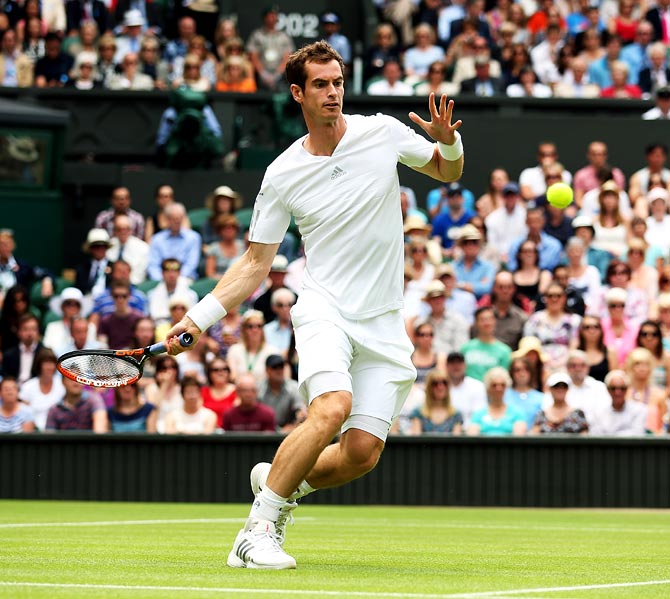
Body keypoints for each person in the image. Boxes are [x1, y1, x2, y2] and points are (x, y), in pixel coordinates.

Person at [164, 41, 465, 569]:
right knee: (330, 410)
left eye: (338, 82)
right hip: (325, 308)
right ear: (299, 93)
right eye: (321, 85)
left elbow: (446, 172)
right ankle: (257, 532)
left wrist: (450, 144)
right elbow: (256, 264)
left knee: (359, 455)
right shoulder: (281, 173)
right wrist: (197, 320)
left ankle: (280, 475)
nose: (333, 93)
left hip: (385, 322)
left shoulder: (383, 132)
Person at [523, 283, 581, 373]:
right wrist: (544, 361)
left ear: (564, 298)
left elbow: (574, 345)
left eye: (558, 296)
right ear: (545, 298)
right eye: (550, 296)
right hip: (540, 365)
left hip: (567, 364)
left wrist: (562, 363)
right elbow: (529, 344)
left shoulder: (574, 320)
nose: (554, 299)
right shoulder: (535, 320)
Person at [147, 202, 202, 282]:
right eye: (174, 219)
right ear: (167, 219)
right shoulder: (157, 239)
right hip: (161, 281)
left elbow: (191, 264)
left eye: (179, 218)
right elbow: (153, 265)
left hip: (185, 279)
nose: (177, 221)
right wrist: (162, 280)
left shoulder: (194, 238)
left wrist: (175, 279)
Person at [246, 5, 295, 91]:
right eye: (270, 15)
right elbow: (253, 56)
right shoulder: (257, 35)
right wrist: (263, 73)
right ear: (265, 17)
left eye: (275, 15)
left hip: (280, 76)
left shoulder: (284, 36)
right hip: (262, 76)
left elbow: (288, 56)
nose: (273, 18)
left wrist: (278, 74)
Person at [467, 366, 527, 436]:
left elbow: (519, 437)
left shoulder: (516, 413)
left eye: (502, 385)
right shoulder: (478, 414)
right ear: (488, 388)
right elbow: (472, 437)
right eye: (494, 385)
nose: (499, 389)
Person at [257, 354, 307, 433]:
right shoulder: (258, 388)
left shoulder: (293, 387)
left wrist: (295, 424)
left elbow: (300, 410)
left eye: (281, 367)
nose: (279, 370)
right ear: (267, 370)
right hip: (263, 431)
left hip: (288, 432)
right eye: (275, 367)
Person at [18, 347, 63, 431]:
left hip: (58, 433)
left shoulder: (62, 385)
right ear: (39, 365)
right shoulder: (28, 387)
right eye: (46, 363)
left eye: (52, 363)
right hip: (33, 433)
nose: (50, 367)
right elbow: (22, 414)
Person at [590, 369, 647, 435]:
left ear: (627, 389)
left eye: (622, 388)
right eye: (613, 388)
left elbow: (637, 434)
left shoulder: (639, 410)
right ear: (608, 389)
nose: (617, 392)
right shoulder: (598, 412)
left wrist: (609, 435)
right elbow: (595, 435)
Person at [506, 207, 563, 272]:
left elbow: (557, 270)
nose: (534, 225)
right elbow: (512, 267)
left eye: (537, 221)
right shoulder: (516, 245)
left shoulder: (554, 246)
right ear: (526, 222)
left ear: (543, 221)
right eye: (531, 221)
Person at [624, 346, 666, 434]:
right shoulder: (624, 393)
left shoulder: (659, 395)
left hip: (654, 442)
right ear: (631, 367)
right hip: (629, 441)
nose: (642, 368)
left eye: (646, 364)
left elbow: (663, 426)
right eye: (637, 364)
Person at [408, 368, 463, 434]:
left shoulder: (456, 414)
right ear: (429, 387)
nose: (440, 387)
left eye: (444, 383)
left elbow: (456, 441)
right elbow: (416, 440)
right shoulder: (418, 413)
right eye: (435, 383)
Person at [572, 141, 626, 208]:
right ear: (588, 155)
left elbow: (621, 198)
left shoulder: (617, 174)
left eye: (601, 154)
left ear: (606, 156)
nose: (598, 158)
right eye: (594, 154)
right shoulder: (580, 175)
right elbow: (578, 200)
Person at [43, 287, 94, 356]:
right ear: (62, 307)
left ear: (80, 307)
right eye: (68, 304)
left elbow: (91, 350)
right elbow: (48, 351)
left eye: (76, 304)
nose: (72, 307)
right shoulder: (52, 327)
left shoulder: (90, 327)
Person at [106, 214, 149, 286]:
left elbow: (140, 275)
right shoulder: (109, 245)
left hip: (134, 285)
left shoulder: (143, 248)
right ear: (115, 231)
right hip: (110, 285)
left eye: (126, 229)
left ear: (131, 230)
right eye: (119, 229)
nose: (123, 232)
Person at [1, 313, 44, 385]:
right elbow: (6, 377)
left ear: (38, 332)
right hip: (15, 389)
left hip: (36, 390)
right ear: (18, 332)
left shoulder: (44, 353)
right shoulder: (8, 355)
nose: (30, 333)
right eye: (25, 329)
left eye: (33, 329)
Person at [144, 355, 182, 433]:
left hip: (179, 430)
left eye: (173, 367)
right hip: (157, 431)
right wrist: (164, 385)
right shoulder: (151, 389)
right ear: (158, 371)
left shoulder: (182, 388)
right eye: (164, 368)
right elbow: (152, 410)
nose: (169, 371)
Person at [511, 238, 552, 310]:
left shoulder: (545, 274)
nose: (528, 254)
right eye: (525, 251)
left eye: (531, 251)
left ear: (536, 254)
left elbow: (542, 296)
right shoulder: (511, 275)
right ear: (519, 254)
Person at [504, 357, 545, 429]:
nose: (522, 373)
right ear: (511, 373)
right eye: (517, 370)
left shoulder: (542, 398)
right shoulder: (503, 395)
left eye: (526, 369)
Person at [577, 315, 618, 382]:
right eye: (587, 327)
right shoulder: (575, 352)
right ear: (581, 331)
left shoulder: (610, 352)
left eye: (596, 327)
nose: (591, 331)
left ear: (601, 330)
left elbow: (614, 379)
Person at [204, 215, 245, 279]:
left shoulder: (244, 246)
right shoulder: (213, 248)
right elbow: (210, 274)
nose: (230, 230)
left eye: (233, 227)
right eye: (226, 227)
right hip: (220, 283)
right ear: (219, 230)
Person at [201, 357, 237, 430]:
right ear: (209, 373)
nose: (220, 372)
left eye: (224, 369)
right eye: (215, 370)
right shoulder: (203, 392)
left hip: (230, 433)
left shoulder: (237, 391)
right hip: (207, 432)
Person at [411, 320, 447, 386]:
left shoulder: (440, 357)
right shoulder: (409, 358)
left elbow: (441, 380)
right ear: (416, 337)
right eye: (422, 335)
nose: (426, 338)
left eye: (430, 335)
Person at [262, 288, 296, 355]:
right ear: (274, 307)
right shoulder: (266, 330)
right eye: (280, 305)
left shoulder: (298, 329)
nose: (285, 309)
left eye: (289, 304)